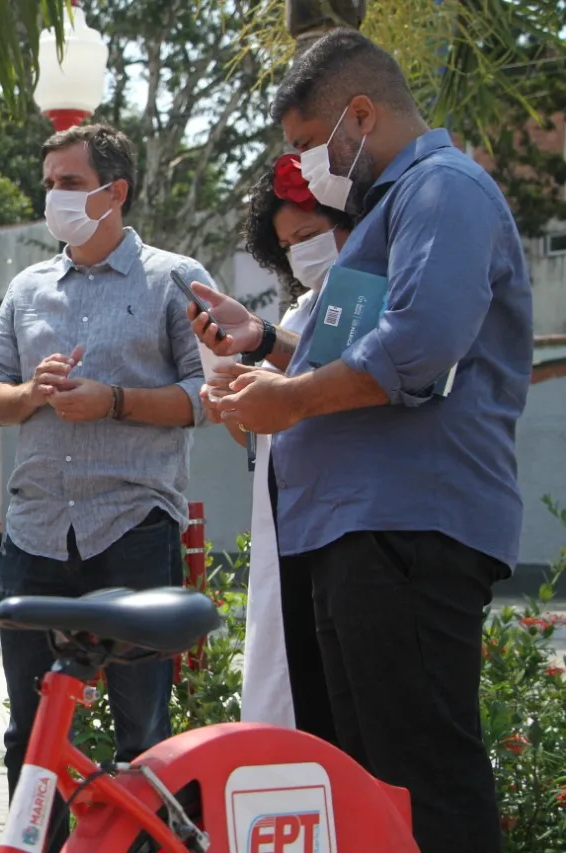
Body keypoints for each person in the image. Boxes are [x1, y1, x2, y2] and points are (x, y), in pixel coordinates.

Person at [188, 30, 531, 853]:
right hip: (357, 531)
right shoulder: (395, 209)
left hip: (406, 527)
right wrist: (266, 345)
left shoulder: (444, 190)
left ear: (362, 114)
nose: (304, 168)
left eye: (308, 145)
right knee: (369, 787)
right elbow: (355, 354)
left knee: (421, 778)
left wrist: (288, 399)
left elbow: (417, 347)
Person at [0, 123, 208, 853]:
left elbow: (206, 397)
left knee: (145, 731)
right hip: (36, 530)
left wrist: (113, 400)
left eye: (70, 183)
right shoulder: (26, 287)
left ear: (117, 192)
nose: (55, 197)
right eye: (49, 182)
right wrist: (31, 394)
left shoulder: (175, 278)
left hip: (133, 525)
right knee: (30, 731)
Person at [228, 154, 351, 737]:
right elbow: (270, 434)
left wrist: (263, 341)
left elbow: (339, 370)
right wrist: (234, 405)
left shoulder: (365, 294)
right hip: (291, 526)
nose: (300, 252)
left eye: (309, 234)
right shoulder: (302, 305)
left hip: (344, 533)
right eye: (287, 243)